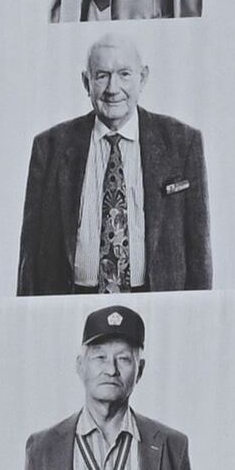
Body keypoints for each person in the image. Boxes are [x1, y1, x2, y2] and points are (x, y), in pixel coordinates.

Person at [20, 32, 210, 304]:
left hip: (157, 301)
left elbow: (199, 251)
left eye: (124, 74)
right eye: (102, 75)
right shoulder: (49, 147)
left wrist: (198, 314)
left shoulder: (183, 143)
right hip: (69, 301)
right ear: (86, 82)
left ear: (142, 77)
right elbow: (29, 256)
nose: (113, 88)